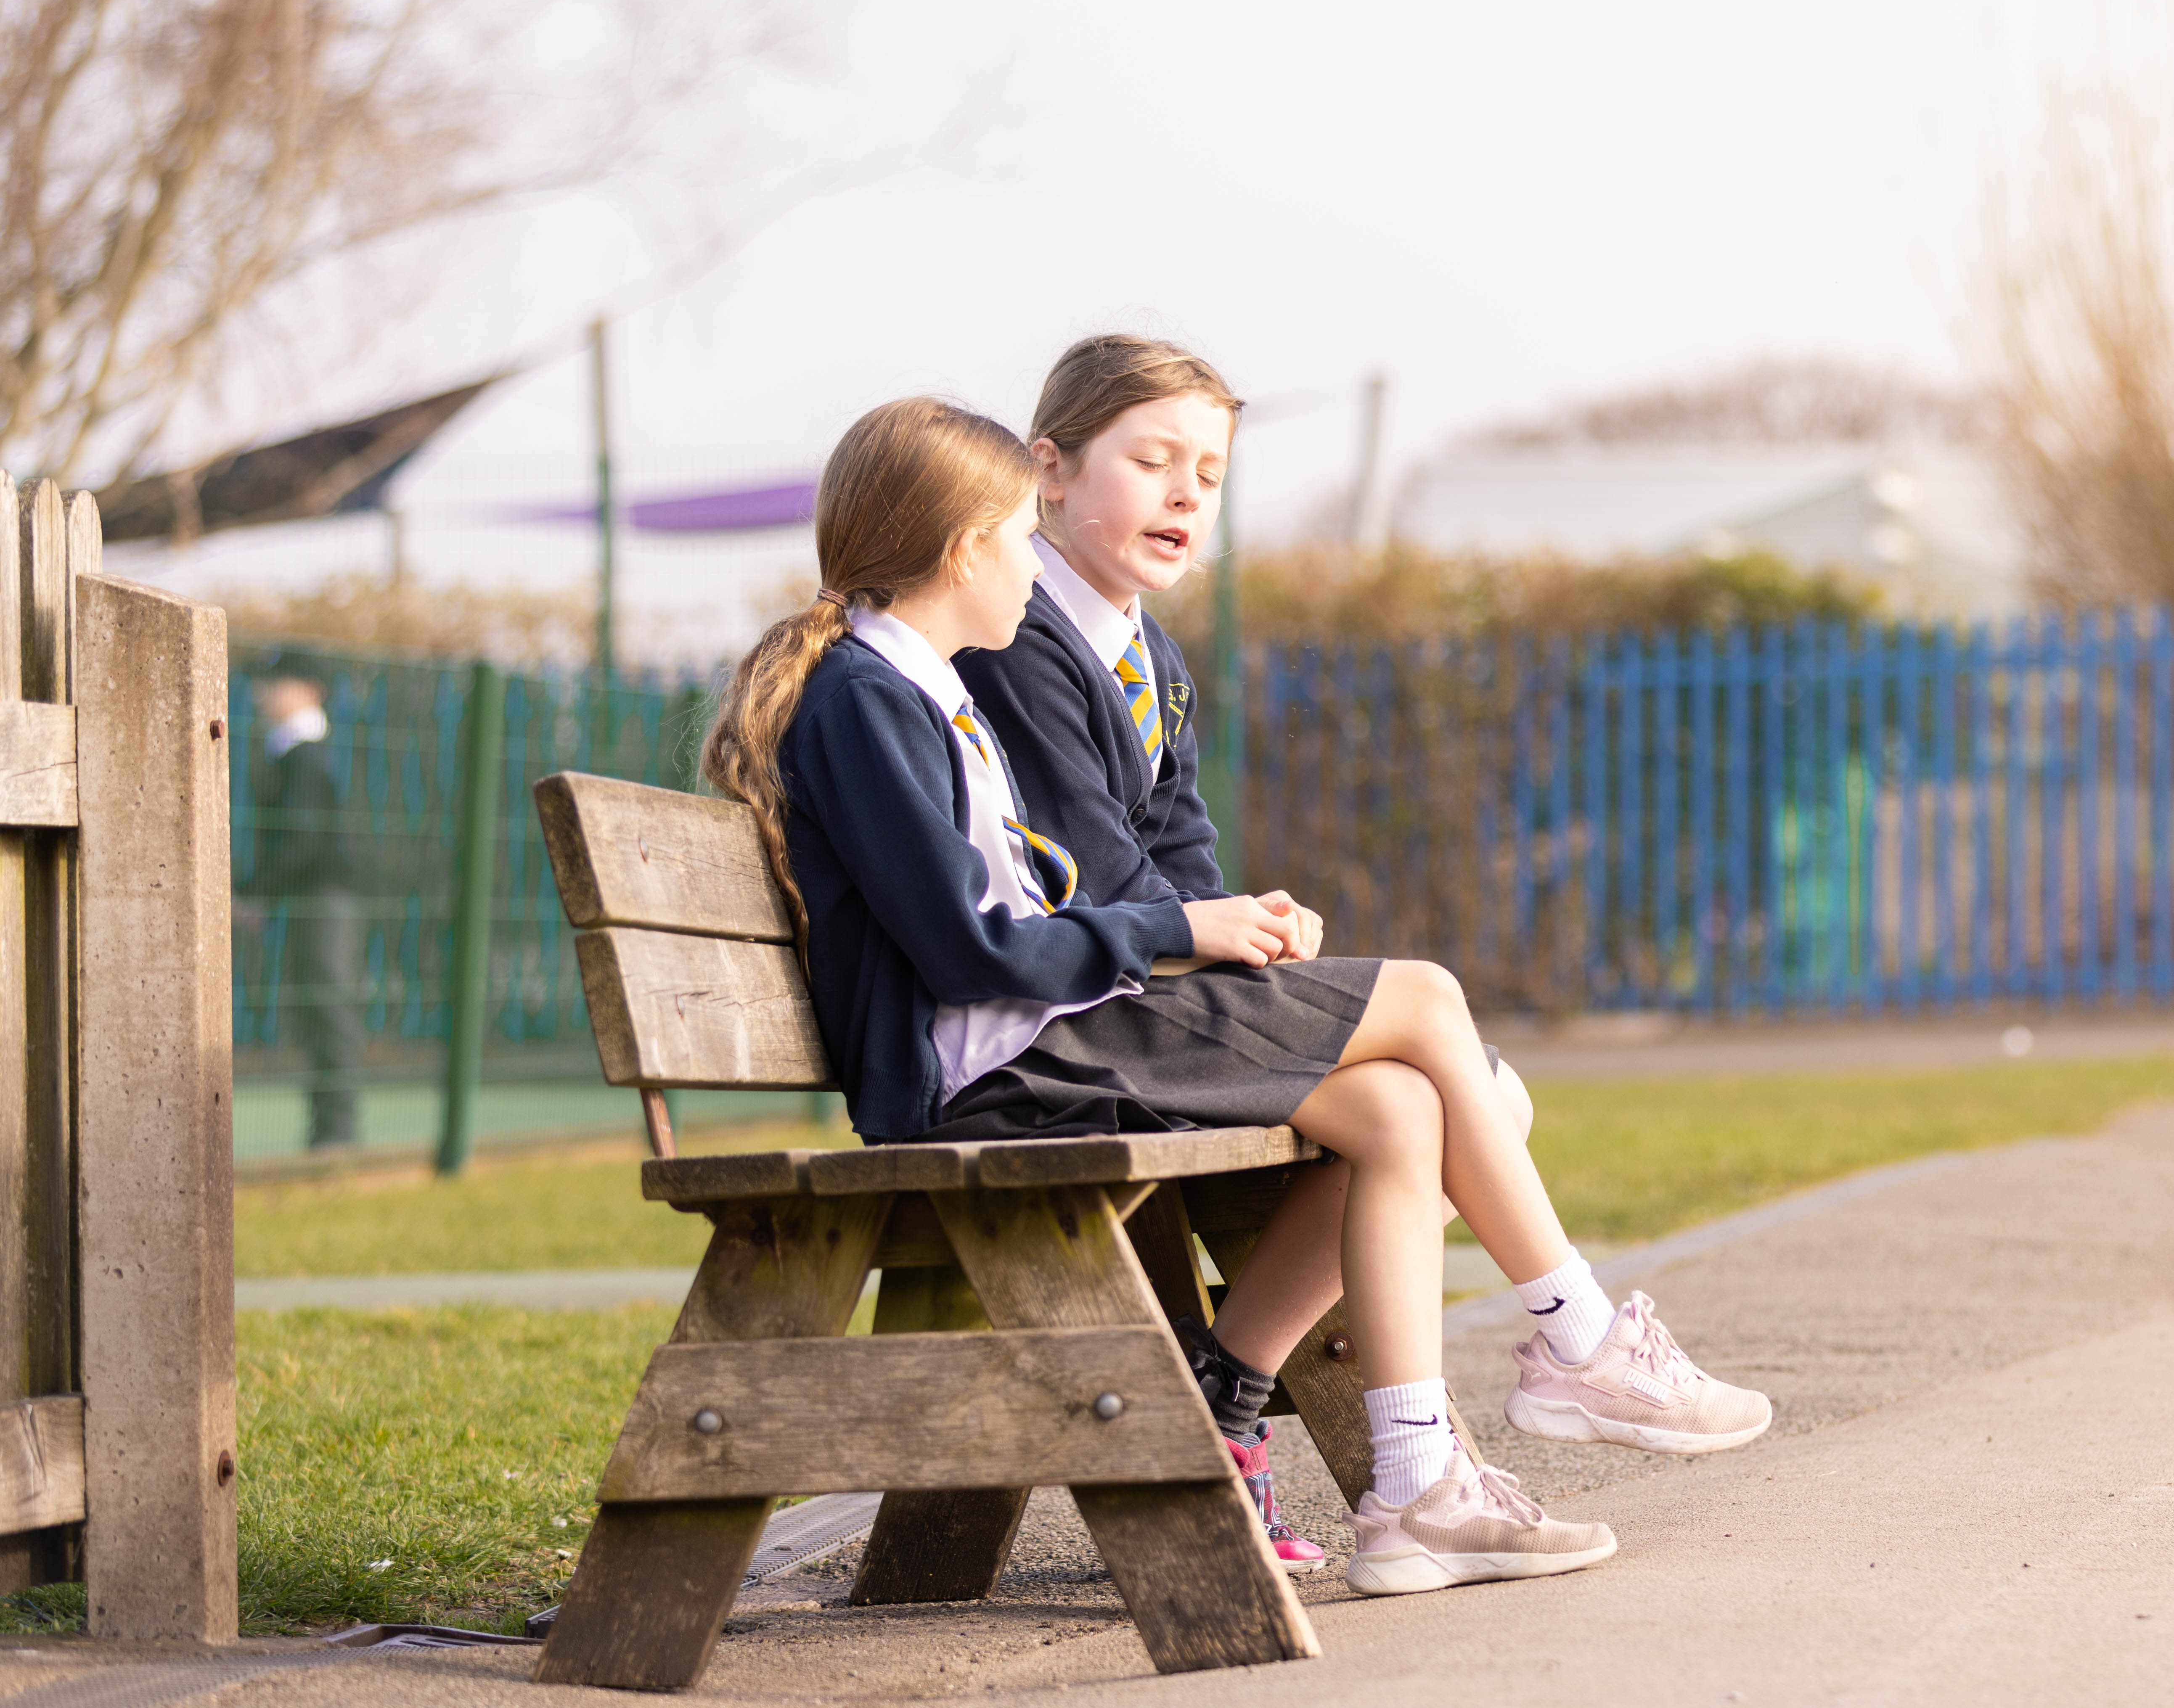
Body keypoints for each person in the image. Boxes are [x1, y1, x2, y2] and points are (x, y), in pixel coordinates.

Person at [704, 392, 1763, 1601]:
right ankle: (1578, 1340)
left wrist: (1184, 929)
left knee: (1399, 1112)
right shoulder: (867, 698)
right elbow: (973, 953)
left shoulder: (915, 688)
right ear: (960, 551)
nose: (1026, 562)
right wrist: (1179, 926)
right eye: (1012, 534)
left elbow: (1008, 923)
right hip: (1003, 1070)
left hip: (1038, 1039)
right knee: (1422, 997)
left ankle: (1416, 1489)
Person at [247, 651, 363, 1149]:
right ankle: (327, 1130)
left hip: (325, 898)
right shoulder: (297, 751)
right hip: (313, 897)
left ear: (310, 689)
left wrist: (255, 893)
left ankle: (336, 1132)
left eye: (278, 682)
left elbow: (301, 839)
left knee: (328, 1007)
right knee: (316, 1008)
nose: (263, 693)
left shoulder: (307, 754)